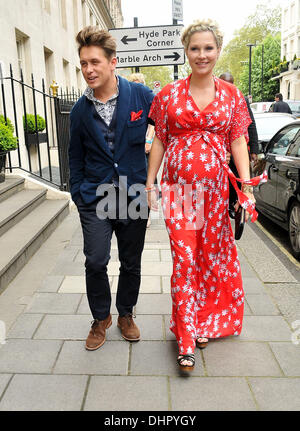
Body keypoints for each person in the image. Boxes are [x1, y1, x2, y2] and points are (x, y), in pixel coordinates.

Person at [146, 19, 267, 371]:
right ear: (186, 51)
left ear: (218, 50)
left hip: (216, 192)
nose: (202, 55)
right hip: (179, 193)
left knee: (209, 259)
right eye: (195, 48)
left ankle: (202, 321)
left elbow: (238, 140)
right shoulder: (167, 94)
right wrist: (150, 181)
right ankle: (186, 338)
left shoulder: (232, 95)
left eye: (208, 48)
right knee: (185, 260)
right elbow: (160, 140)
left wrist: (245, 186)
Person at [69, 26, 154, 351]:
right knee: (96, 260)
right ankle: (100, 317)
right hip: (95, 197)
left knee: (131, 262)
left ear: (112, 62)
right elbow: (74, 157)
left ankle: (126, 314)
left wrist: (154, 179)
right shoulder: (79, 111)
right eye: (83, 64)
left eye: (94, 62)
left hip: (133, 195)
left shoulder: (140, 96)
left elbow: (169, 130)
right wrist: (79, 195)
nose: (89, 69)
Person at [219, 72, 259, 218]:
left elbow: (251, 125)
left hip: (238, 145)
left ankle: (237, 202)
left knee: (238, 174)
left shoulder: (239, 98)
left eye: (230, 83)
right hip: (221, 149)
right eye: (225, 82)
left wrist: (254, 149)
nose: (227, 86)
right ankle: (227, 204)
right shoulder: (214, 97)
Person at [128, 72, 156, 227]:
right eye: (134, 83)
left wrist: (149, 141)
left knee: (147, 179)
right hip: (132, 148)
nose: (137, 85)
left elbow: (152, 123)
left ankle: (147, 213)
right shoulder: (128, 101)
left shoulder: (145, 99)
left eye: (140, 83)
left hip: (146, 146)